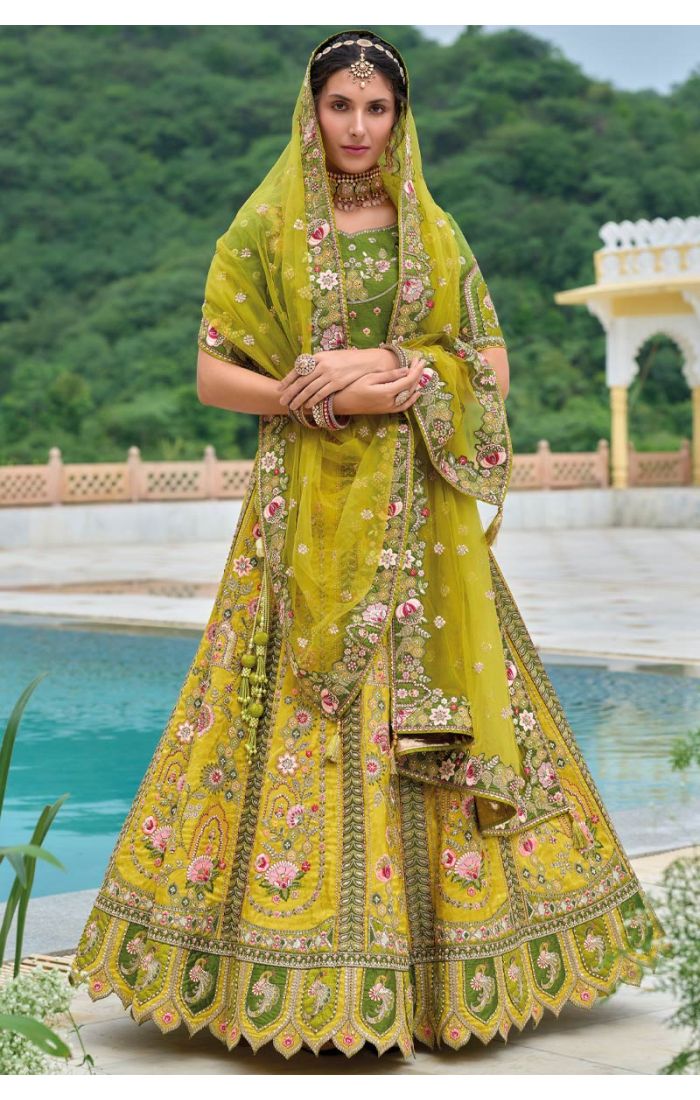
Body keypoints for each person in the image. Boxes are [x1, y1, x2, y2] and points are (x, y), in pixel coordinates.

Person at [68, 30, 666, 1062]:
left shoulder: (432, 231)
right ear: (311, 110)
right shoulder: (263, 228)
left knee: (437, 720)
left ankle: (448, 970)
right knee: (290, 705)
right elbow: (215, 376)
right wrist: (309, 393)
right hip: (301, 516)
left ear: (399, 118)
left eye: (375, 109)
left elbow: (489, 358)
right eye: (340, 106)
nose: (357, 127)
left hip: (418, 529)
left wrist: (396, 362)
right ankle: (283, 972)